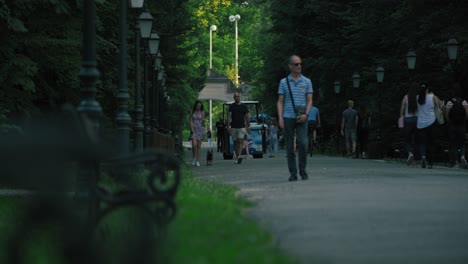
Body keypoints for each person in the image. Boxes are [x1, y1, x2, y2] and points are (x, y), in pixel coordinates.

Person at [277, 55, 313, 181]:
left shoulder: (307, 81)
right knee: (289, 146)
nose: (299, 66)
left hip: (302, 116)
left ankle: (303, 170)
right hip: (288, 116)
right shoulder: (284, 82)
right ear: (290, 66)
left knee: (303, 143)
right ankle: (293, 173)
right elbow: (280, 101)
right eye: (296, 64)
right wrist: (280, 118)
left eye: (300, 64)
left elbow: (309, 100)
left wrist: (306, 115)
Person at [416, 83, 444, 169]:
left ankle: (423, 156)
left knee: (422, 142)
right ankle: (430, 163)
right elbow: (442, 106)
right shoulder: (433, 97)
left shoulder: (417, 97)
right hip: (431, 122)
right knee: (431, 143)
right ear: (428, 89)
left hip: (420, 124)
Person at [445, 83, 468, 168]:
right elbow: (467, 114)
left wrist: (450, 121)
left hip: (452, 125)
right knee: (462, 143)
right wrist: (463, 120)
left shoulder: (449, 102)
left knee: (453, 143)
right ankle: (462, 156)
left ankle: (456, 162)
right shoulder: (464, 102)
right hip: (461, 125)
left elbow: (446, 115)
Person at [228, 92, 252, 164]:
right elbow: (229, 116)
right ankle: (237, 156)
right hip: (234, 126)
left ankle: (239, 156)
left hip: (242, 126)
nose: (237, 98)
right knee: (235, 142)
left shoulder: (243, 106)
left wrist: (248, 125)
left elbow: (246, 116)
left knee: (240, 141)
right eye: (235, 97)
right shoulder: (232, 106)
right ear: (234, 98)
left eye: (238, 96)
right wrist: (228, 126)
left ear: (239, 97)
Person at [399, 85, 418, 165]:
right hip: (417, 120)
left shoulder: (406, 97)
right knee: (415, 139)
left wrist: (401, 117)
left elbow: (402, 109)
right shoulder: (418, 97)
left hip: (408, 120)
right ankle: (414, 160)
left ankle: (410, 153)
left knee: (407, 139)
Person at [190, 100, 205, 167]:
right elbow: (191, 121)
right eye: (198, 105)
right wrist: (191, 129)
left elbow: (203, 121)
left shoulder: (202, 112)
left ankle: (198, 161)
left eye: (200, 106)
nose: (199, 107)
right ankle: (193, 158)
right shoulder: (192, 112)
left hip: (200, 129)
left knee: (198, 147)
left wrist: (203, 123)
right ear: (195, 105)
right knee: (194, 145)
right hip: (194, 130)